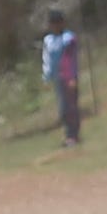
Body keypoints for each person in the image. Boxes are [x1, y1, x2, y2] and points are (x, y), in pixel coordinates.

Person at [40, 8, 82, 148]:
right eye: (53, 23)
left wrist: (72, 77)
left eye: (58, 23)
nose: (55, 26)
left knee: (71, 107)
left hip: (69, 76)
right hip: (58, 77)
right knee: (63, 108)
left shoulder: (69, 38)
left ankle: (73, 136)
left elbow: (70, 59)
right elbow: (47, 59)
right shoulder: (48, 40)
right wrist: (47, 76)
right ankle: (69, 134)